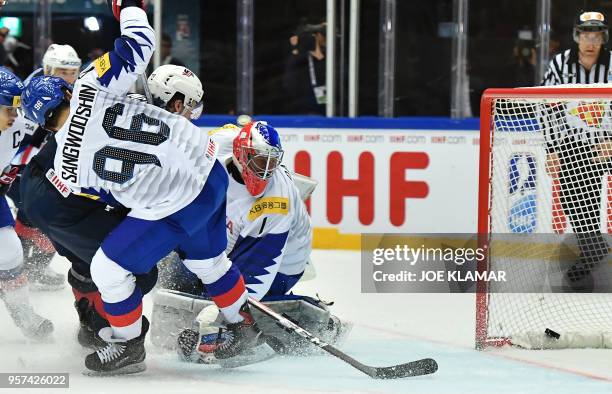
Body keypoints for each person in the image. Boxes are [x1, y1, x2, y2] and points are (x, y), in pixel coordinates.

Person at [20, 0, 264, 375]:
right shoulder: (89, 83)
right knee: (210, 262)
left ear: (45, 126)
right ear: (66, 92)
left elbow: (113, 202)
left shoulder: (67, 168)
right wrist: (127, 7)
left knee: (107, 268)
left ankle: (128, 343)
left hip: (176, 204)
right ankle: (243, 326)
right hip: (208, 167)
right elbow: (140, 42)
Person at [153, 121, 348, 359]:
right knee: (175, 271)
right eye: (259, 161)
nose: (265, 171)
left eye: (271, 163)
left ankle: (313, 317)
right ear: (240, 153)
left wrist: (229, 309)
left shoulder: (274, 201)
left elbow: (261, 267)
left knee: (231, 306)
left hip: (283, 261)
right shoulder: (220, 144)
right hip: (232, 243)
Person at [541, 10, 612, 291]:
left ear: (603, 37)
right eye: (586, 34)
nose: (591, 41)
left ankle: (592, 249)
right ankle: (593, 249)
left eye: (596, 35)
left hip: (607, 142)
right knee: (574, 198)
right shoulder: (560, 64)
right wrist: (553, 148)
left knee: (587, 196)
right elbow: (548, 107)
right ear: (577, 36)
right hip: (573, 144)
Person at [7, 44, 82, 292]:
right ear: (48, 68)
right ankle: (18, 269)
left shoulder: (72, 91)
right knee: (39, 217)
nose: (69, 77)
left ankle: (31, 269)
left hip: (40, 167)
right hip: (18, 169)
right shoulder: (31, 95)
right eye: (63, 71)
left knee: (44, 221)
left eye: (73, 72)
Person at [0, 67, 53, 339]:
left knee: (10, 252)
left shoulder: (19, 127)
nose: (15, 116)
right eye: (8, 109)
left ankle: (22, 313)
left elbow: (50, 133)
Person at [282, 22, 327, 115]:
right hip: (303, 105)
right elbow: (290, 81)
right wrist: (296, 48)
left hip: (323, 104)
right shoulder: (299, 56)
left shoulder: (332, 52)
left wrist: (319, 55)